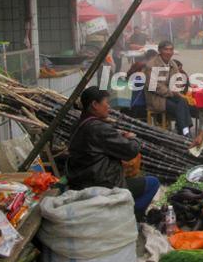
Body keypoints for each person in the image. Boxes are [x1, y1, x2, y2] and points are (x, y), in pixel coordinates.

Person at [68, 86, 160, 220]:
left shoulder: (79, 124)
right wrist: (133, 139)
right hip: (102, 184)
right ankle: (131, 217)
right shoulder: (98, 128)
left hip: (81, 180)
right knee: (153, 182)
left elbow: (97, 143)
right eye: (106, 103)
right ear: (94, 105)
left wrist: (116, 134)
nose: (109, 107)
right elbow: (130, 151)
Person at [144, 41, 193, 136]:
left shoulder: (172, 64)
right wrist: (172, 92)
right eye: (166, 49)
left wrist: (179, 85)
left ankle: (184, 131)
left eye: (171, 50)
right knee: (181, 108)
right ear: (159, 51)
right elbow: (154, 86)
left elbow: (177, 78)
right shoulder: (151, 65)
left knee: (183, 101)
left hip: (170, 95)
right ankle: (185, 132)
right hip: (156, 99)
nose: (169, 52)